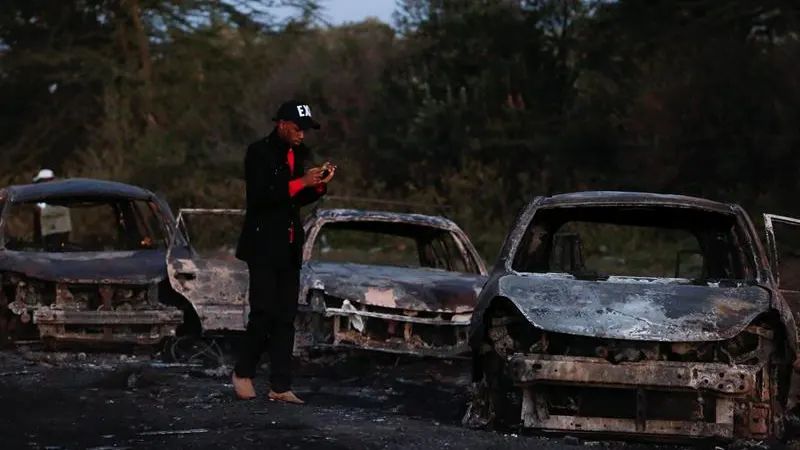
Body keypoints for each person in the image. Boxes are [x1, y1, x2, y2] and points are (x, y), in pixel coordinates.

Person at [231, 100, 335, 403]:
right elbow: (263, 197)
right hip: (263, 244)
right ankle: (243, 371)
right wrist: (301, 181)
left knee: (286, 317)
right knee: (263, 312)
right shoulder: (258, 152)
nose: (302, 134)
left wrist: (316, 186)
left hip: (289, 245)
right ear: (282, 125)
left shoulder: (299, 155)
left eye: (305, 129)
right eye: (298, 128)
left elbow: (293, 200)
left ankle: (280, 384)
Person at [32, 169, 72, 250]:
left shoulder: (60, 192)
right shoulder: (43, 195)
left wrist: (41, 211)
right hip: (47, 232)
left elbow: (62, 209)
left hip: (59, 231)